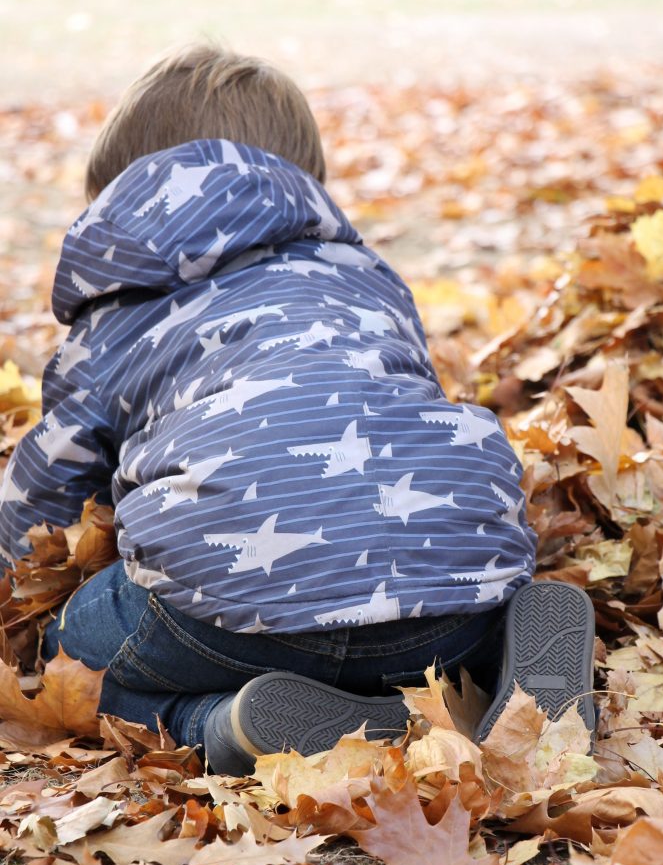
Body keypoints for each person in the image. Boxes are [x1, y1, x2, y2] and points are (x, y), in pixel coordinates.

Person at [0, 45, 594, 772]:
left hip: (227, 607)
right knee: (440, 601)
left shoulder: (120, 310)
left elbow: (43, 492)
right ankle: (505, 663)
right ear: (303, 184)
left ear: (119, 198)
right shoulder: (369, 279)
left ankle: (229, 725)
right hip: (435, 601)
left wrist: (20, 586)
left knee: (77, 664)